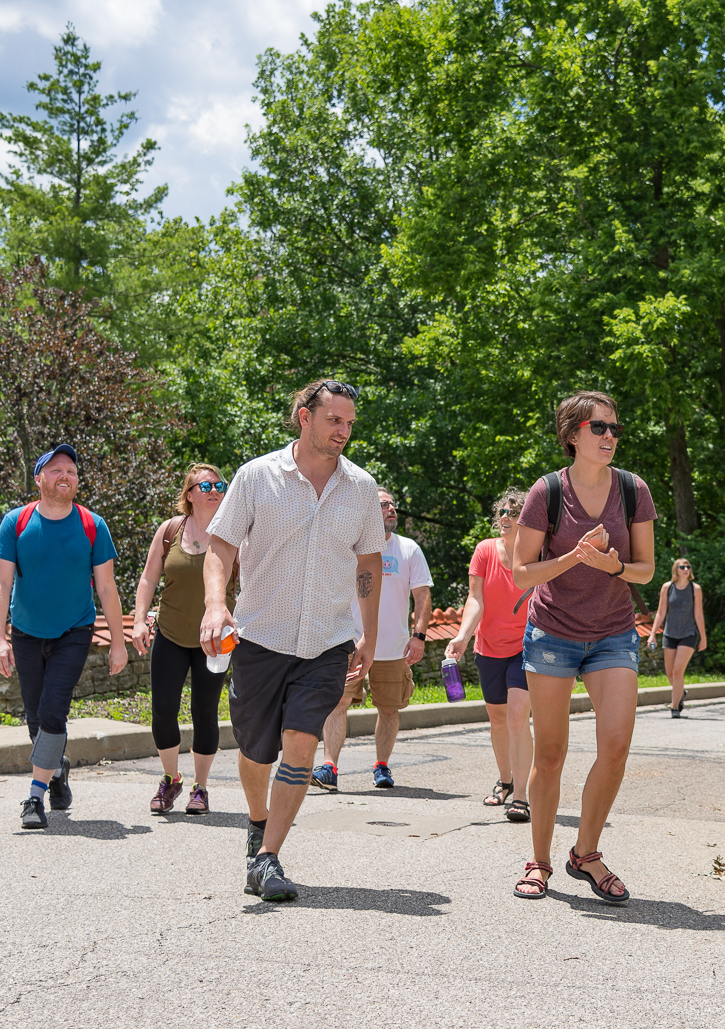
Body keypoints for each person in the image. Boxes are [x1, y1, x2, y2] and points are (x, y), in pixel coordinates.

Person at [200, 379, 386, 902]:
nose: (344, 431)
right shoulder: (257, 476)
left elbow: (369, 561)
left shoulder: (361, 488)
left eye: (349, 423)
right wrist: (217, 605)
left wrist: (366, 633)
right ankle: (259, 822)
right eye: (334, 420)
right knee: (257, 751)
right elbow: (221, 544)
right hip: (261, 636)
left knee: (301, 743)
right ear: (304, 417)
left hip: (327, 642)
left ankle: (269, 857)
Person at [510, 391, 656, 903]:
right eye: (599, 428)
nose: (610, 436)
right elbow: (520, 571)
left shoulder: (634, 490)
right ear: (573, 433)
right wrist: (575, 556)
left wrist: (612, 566)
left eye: (615, 428)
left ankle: (586, 854)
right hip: (553, 632)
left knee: (615, 747)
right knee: (550, 754)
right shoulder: (546, 492)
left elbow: (645, 569)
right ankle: (540, 860)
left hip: (614, 633)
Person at [0, 444, 127, 830]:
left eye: (70, 470)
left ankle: (34, 796)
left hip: (74, 631)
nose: (64, 475)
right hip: (27, 632)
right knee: (35, 716)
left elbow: (107, 586)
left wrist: (118, 642)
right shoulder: (15, 522)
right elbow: (1, 580)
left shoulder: (92, 524)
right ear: (39, 479)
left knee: (53, 710)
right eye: (55, 470)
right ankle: (57, 768)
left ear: (77, 482)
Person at [130, 464, 237, 815]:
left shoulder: (235, 533)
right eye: (204, 485)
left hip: (215, 640)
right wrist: (140, 620)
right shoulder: (170, 530)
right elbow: (148, 579)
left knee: (204, 712)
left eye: (220, 484)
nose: (214, 490)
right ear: (189, 494)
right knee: (162, 711)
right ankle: (171, 778)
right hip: (171, 633)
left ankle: (200, 788)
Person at [313, 487, 433, 791]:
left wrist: (418, 635)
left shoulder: (408, 549)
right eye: (383, 505)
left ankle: (381, 766)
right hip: (349, 643)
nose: (391, 509)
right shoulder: (349, 547)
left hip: (393, 648)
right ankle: (329, 767)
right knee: (338, 701)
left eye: (392, 504)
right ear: (367, 511)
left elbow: (422, 595)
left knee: (389, 709)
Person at [445, 488, 534, 820]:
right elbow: (475, 599)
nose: (505, 518)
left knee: (516, 717)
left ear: (527, 518)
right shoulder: (484, 551)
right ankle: (506, 781)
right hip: (489, 648)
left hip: (527, 647)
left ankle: (522, 797)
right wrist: (462, 635)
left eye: (513, 513)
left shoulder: (537, 554)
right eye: (502, 513)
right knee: (498, 720)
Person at [647, 557, 708, 718]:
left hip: (688, 634)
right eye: (682, 567)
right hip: (670, 634)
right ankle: (680, 692)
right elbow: (661, 613)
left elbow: (699, 615)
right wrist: (652, 634)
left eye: (688, 566)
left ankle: (674, 707)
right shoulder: (668, 587)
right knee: (670, 674)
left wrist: (703, 637)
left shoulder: (695, 589)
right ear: (676, 570)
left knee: (677, 671)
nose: (686, 569)